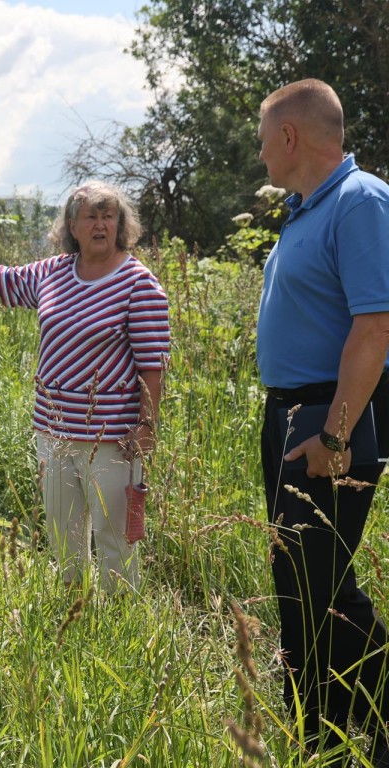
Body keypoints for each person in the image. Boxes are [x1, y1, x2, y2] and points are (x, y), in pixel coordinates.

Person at [0, 182, 170, 592]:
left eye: (109, 216)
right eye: (91, 216)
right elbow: (0, 280)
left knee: (115, 544)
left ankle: (121, 628)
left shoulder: (138, 284)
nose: (101, 225)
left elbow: (153, 367)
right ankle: (74, 619)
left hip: (112, 441)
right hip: (52, 435)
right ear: (72, 225)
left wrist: (147, 427)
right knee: (63, 542)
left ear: (120, 225)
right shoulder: (54, 272)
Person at [256, 78, 389, 763]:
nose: (260, 156)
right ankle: (319, 733)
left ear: (290, 137)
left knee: (320, 590)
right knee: (304, 586)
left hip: (329, 421)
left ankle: (344, 729)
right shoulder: (305, 209)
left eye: (262, 141)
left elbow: (375, 326)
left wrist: (335, 434)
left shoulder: (361, 200)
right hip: (290, 417)